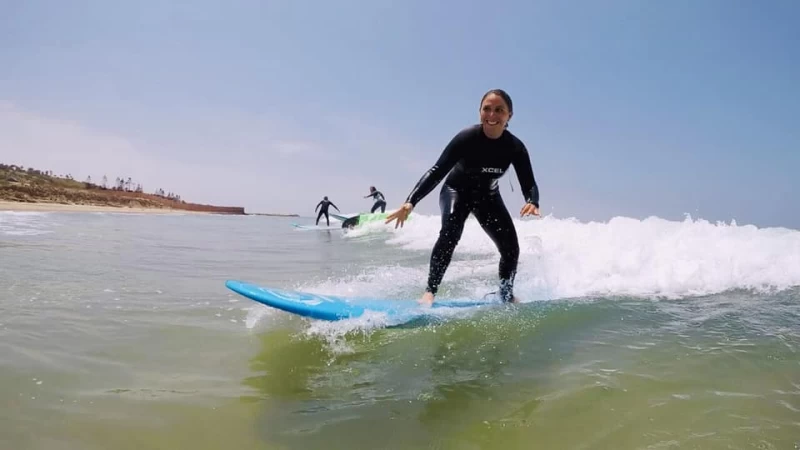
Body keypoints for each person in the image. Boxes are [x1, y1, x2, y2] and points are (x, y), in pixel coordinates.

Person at [385, 89, 540, 306]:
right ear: (480, 111)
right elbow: (437, 171)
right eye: (487, 109)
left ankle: (506, 295)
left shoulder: (515, 147)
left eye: (499, 110)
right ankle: (430, 291)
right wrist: (411, 201)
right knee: (450, 234)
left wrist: (532, 201)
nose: (492, 115)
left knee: (511, 248)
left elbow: (528, 182)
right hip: (456, 191)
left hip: (488, 196)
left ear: (509, 116)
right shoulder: (467, 138)